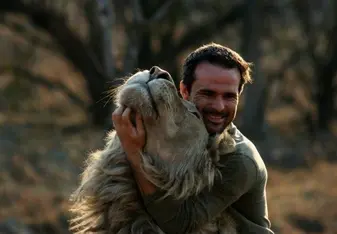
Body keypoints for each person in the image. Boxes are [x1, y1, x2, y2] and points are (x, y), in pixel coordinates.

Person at [112, 43, 274, 234]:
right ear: (184, 91)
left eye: (229, 96)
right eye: (208, 93)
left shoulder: (241, 159)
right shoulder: (179, 127)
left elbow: (180, 224)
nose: (219, 107)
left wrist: (134, 152)